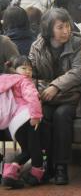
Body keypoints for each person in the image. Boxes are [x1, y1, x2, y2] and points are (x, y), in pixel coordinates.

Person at [29, 8, 81, 185]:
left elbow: (79, 70)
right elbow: (31, 74)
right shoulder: (37, 46)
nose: (66, 31)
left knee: (61, 116)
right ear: (48, 29)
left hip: (69, 95)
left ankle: (61, 167)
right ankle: (47, 165)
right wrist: (38, 92)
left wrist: (55, 86)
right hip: (44, 96)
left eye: (67, 26)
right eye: (60, 27)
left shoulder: (78, 43)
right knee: (42, 117)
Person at [1, 56, 44, 189]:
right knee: (35, 148)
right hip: (27, 117)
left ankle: (9, 174)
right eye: (24, 68)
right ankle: (36, 175)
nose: (27, 72)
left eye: (30, 69)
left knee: (26, 150)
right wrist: (36, 115)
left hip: (14, 123)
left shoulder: (5, 80)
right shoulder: (24, 81)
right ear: (15, 69)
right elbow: (31, 98)